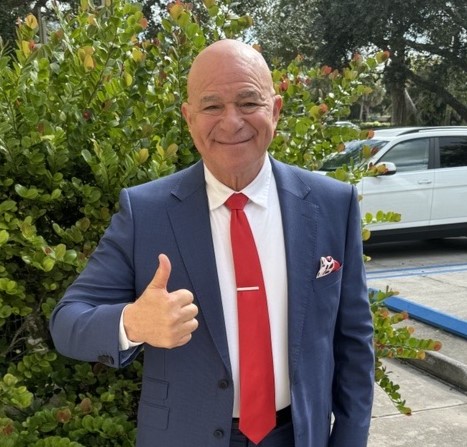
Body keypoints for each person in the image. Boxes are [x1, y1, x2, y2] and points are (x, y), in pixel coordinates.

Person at [50, 39, 374, 447]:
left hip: (297, 435)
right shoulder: (146, 212)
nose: (232, 121)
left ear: (275, 110)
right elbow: (67, 322)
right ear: (189, 118)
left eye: (248, 102)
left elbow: (354, 345)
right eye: (212, 106)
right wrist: (132, 323)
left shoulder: (332, 204)